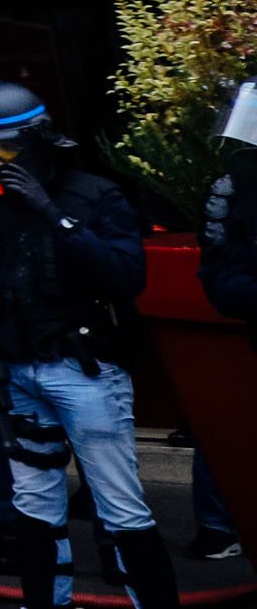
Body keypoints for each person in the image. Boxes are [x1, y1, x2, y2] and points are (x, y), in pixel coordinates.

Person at [0, 82, 169, 609]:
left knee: (121, 508)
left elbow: (125, 277)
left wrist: (51, 213)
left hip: (86, 371)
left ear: (40, 142)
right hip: (14, 369)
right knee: (34, 508)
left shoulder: (93, 194)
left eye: (10, 149)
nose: (0, 161)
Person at [196, 80, 255, 564]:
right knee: (225, 416)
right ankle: (216, 525)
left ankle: (217, 525)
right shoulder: (235, 186)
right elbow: (220, 276)